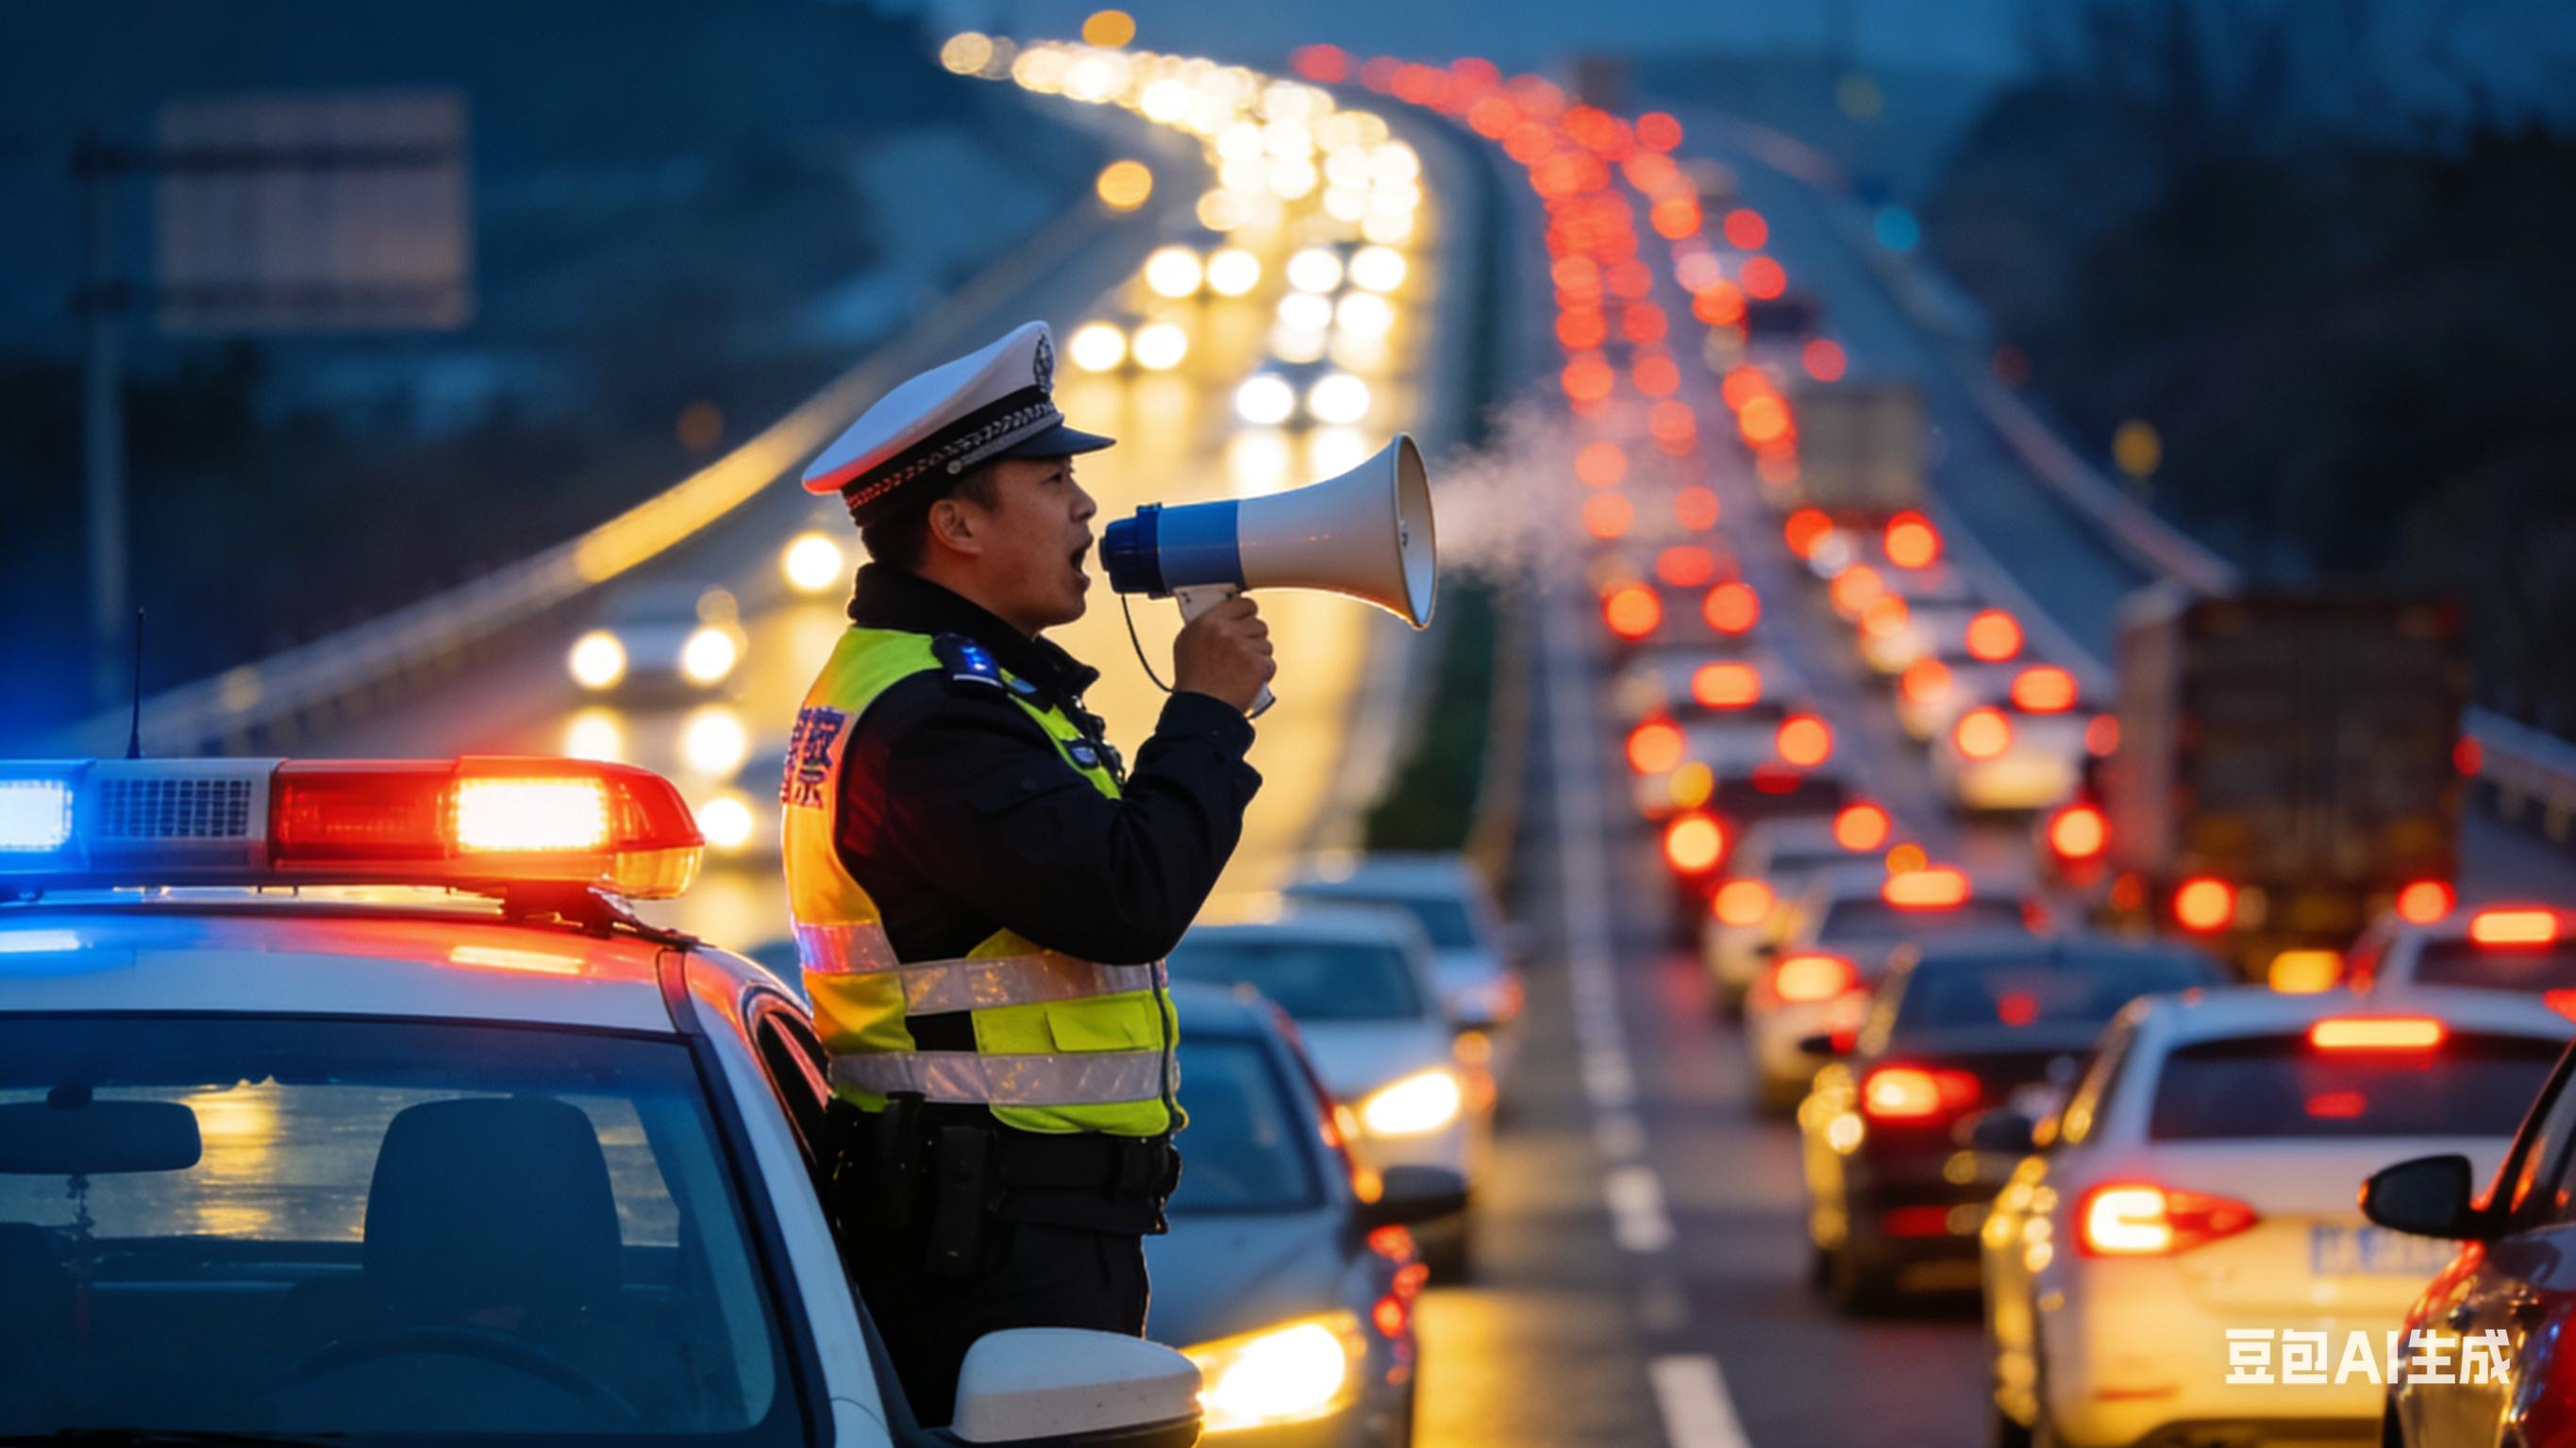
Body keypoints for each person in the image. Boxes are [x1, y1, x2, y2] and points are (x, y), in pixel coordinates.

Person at [779, 320, 1273, 1425]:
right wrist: (1204, 714)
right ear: (954, 523)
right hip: (992, 1236)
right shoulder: (937, 719)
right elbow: (1122, 896)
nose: (1086, 508)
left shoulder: (957, 688)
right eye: (1053, 482)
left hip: (1008, 1217)